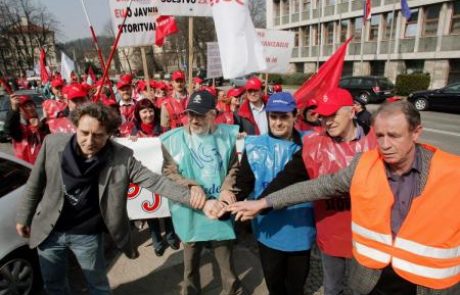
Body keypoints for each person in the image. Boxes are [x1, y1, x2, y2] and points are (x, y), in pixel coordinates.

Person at [229, 100, 460, 295]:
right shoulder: (365, 163)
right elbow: (319, 186)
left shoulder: (452, 173)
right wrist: (263, 202)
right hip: (371, 280)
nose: (385, 145)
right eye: (379, 135)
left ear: (416, 132)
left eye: (394, 135)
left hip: (425, 285)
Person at [15, 103, 206, 295]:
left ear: (109, 134)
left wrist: (196, 199)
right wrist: (24, 215)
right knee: (54, 285)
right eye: (84, 133)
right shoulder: (52, 143)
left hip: (87, 236)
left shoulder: (121, 157)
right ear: (75, 127)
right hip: (49, 231)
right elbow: (35, 183)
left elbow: (156, 182)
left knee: (98, 286)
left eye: (98, 135)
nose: (90, 141)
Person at [238, 87, 376, 295]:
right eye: (324, 116)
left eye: (333, 114)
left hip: (368, 237)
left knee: (362, 289)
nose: (328, 121)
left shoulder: (377, 142)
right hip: (331, 238)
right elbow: (292, 181)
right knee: (332, 289)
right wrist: (259, 204)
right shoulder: (315, 145)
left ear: (352, 111)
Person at [219, 92, 316, 295]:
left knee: (295, 287)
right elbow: (244, 183)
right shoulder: (254, 145)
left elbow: (289, 178)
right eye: (273, 116)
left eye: (284, 117)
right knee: (275, 285)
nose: (278, 123)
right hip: (268, 232)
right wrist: (225, 205)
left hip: (300, 230)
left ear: (295, 115)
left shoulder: (311, 144)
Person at [160, 90, 245, 295]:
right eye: (190, 114)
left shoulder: (227, 136)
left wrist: (226, 188)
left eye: (200, 114)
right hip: (191, 208)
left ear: (213, 114)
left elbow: (234, 166)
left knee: (225, 256)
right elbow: (168, 173)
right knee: (190, 260)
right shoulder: (173, 140)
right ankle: (190, 291)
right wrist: (190, 185)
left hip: (219, 206)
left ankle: (233, 290)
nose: (194, 119)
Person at [128, 99, 181, 256]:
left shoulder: (163, 130)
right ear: (138, 114)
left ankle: (171, 237)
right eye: (144, 111)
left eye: (150, 110)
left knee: (167, 208)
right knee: (151, 211)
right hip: (145, 179)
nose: (148, 114)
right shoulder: (134, 134)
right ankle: (157, 241)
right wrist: (132, 143)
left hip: (165, 175)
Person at [4, 94, 49, 164]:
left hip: (44, 164)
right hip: (27, 168)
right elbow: (8, 128)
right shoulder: (19, 128)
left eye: (31, 105)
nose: (30, 108)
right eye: (25, 106)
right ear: (19, 111)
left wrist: (42, 126)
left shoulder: (42, 123)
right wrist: (13, 109)